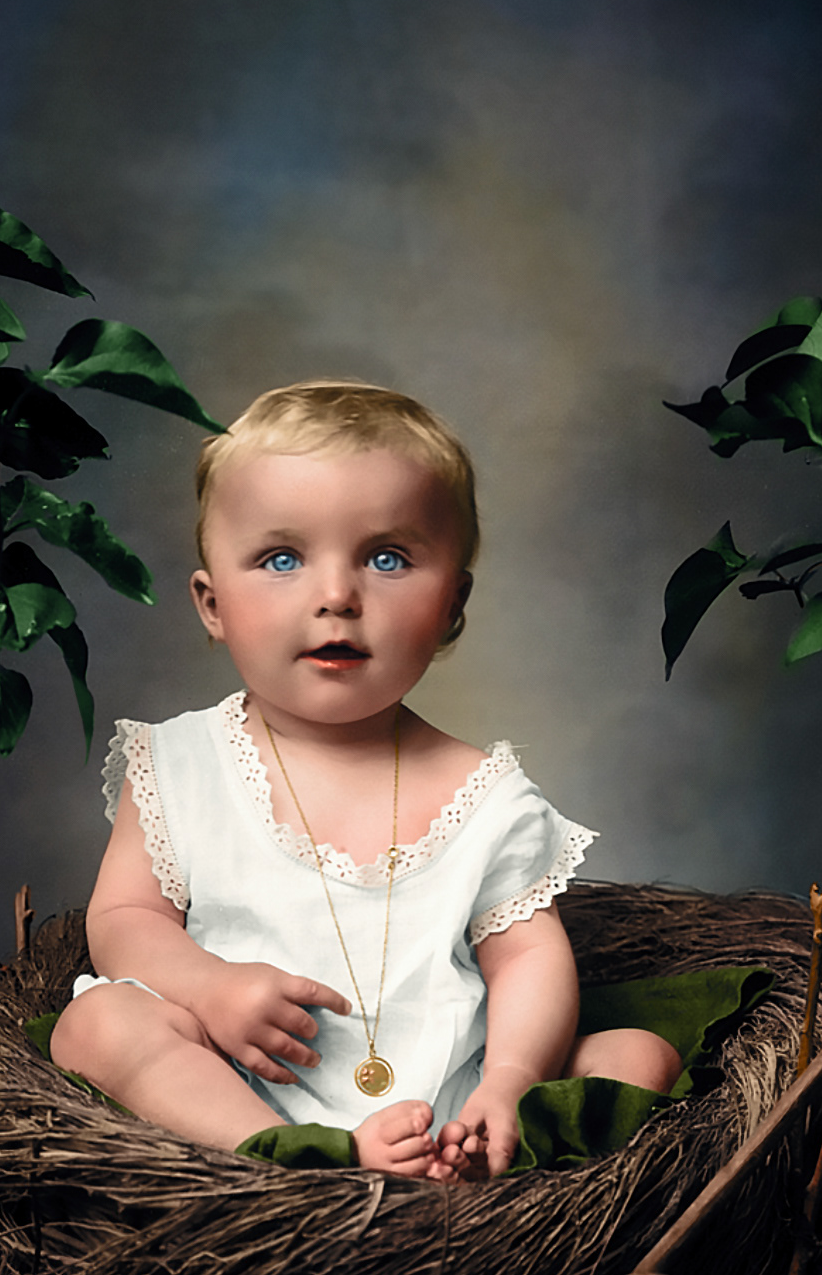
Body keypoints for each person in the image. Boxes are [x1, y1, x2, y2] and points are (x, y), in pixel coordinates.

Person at [50, 381, 680, 1179]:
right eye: (282, 558)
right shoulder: (179, 766)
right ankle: (288, 1164)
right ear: (213, 604)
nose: (337, 596)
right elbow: (125, 919)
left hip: (444, 1107)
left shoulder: (484, 794)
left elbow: (526, 959)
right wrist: (210, 988)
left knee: (636, 1051)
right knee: (97, 1022)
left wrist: (508, 1080)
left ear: (453, 604)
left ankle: (477, 1171)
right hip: (240, 1094)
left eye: (388, 558)